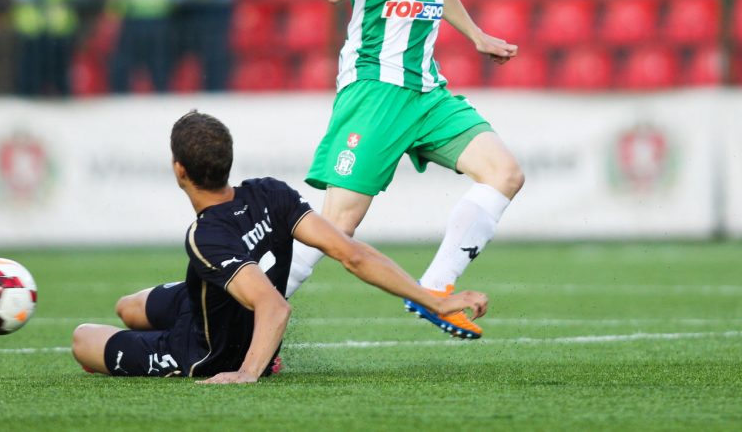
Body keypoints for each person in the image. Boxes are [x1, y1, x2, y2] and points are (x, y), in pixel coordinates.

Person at [285, 0, 525, 340]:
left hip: (427, 91)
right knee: (337, 228)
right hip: (374, 89)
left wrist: (476, 34)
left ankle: (436, 290)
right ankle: (240, 313)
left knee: (504, 173)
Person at [71, 111, 488, 383]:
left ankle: (252, 355)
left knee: (81, 340)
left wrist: (247, 372)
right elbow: (352, 253)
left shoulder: (205, 236)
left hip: (206, 349)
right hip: (203, 302)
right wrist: (432, 300)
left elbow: (275, 306)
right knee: (127, 306)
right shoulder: (271, 193)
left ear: (179, 170)